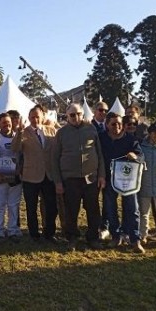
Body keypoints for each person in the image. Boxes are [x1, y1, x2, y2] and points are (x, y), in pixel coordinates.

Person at [51, 103, 105, 252]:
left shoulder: (91, 129)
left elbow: (99, 154)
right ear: (67, 116)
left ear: (83, 114)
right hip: (70, 179)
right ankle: (72, 237)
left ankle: (93, 238)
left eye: (79, 114)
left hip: (91, 178)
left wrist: (101, 175)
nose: (76, 117)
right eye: (72, 115)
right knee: (71, 210)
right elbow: (54, 158)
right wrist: (58, 181)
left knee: (93, 209)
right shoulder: (61, 133)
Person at [11, 105, 58, 243]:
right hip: (30, 176)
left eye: (37, 116)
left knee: (51, 206)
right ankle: (34, 234)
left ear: (43, 117)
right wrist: (19, 132)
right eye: (32, 117)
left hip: (48, 175)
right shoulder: (24, 132)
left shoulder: (51, 130)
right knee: (31, 208)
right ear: (28, 118)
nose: (35, 119)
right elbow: (15, 148)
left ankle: (49, 233)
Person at [99, 112, 145, 253]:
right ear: (107, 125)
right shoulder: (101, 139)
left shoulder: (131, 140)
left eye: (119, 123)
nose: (117, 126)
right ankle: (115, 236)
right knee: (110, 209)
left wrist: (135, 156)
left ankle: (135, 239)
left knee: (133, 209)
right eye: (113, 124)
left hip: (127, 180)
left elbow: (142, 157)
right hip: (109, 179)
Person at [0, 113, 23, 243]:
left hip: (15, 177)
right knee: (0, 205)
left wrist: (19, 170)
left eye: (8, 122)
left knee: (14, 205)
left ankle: (13, 230)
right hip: (0, 178)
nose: (7, 125)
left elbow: (22, 156)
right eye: (4, 123)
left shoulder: (18, 137)